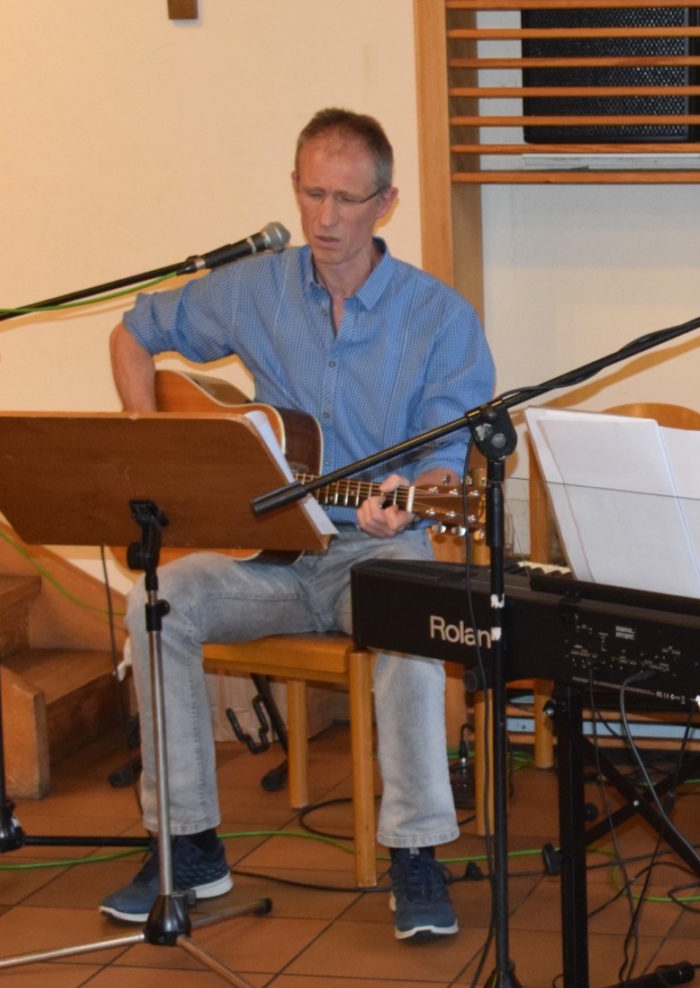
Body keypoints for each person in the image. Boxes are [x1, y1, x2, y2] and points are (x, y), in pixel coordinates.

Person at [100, 108, 494, 943]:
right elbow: (134, 332)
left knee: (411, 623)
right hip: (270, 552)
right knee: (157, 602)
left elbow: (447, 458)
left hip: (376, 546)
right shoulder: (255, 289)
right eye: (313, 194)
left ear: (385, 203)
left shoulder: (439, 317)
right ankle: (188, 846)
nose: (326, 218)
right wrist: (153, 447)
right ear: (293, 188)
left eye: (347, 199)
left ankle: (415, 852)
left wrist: (414, 492)